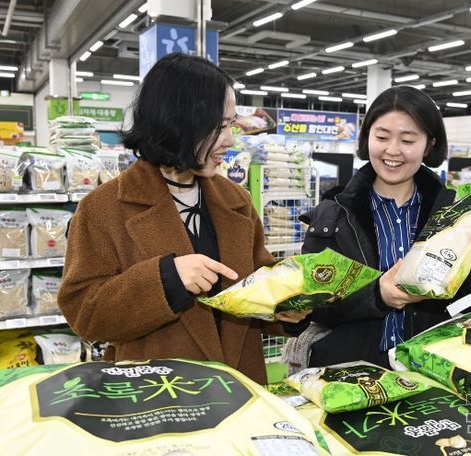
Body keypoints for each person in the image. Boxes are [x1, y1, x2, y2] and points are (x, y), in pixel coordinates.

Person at [58, 53, 308, 385]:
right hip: (160, 395)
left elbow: (254, 287)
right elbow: (85, 314)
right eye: (219, 127)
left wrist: (286, 307)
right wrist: (166, 280)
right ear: (178, 123)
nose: (230, 140)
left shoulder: (236, 200)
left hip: (240, 390)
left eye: (231, 125)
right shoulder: (103, 208)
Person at [298, 86, 471, 369]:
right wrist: (377, 295)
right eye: (382, 137)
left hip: (431, 368)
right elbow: (314, 307)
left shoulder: (455, 212)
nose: (392, 150)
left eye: (408, 140)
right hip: (352, 372)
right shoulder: (334, 214)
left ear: (429, 145)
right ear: (367, 138)